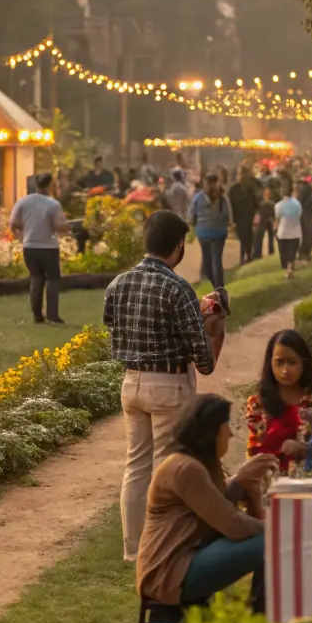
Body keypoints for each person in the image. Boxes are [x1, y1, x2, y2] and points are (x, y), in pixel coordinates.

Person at [104, 210, 227, 562]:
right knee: (169, 466)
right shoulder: (178, 287)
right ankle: (165, 547)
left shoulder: (118, 284)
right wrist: (213, 325)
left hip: (132, 382)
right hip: (169, 384)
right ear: (178, 245)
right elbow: (204, 361)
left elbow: (115, 330)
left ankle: (134, 550)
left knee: (136, 466)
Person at [136, 394, 277, 611]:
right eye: (226, 425)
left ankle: (263, 612)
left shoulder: (191, 464)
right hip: (169, 572)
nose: (230, 433)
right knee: (272, 542)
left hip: (186, 560)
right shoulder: (185, 468)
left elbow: (214, 503)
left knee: (271, 542)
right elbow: (232, 525)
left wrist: (242, 482)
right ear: (214, 431)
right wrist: (276, 530)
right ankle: (262, 616)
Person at [246, 330, 312, 472]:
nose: (285, 371)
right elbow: (254, 452)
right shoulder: (259, 403)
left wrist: (304, 449)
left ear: (304, 363)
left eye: (292, 362)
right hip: (269, 483)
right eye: (279, 363)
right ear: (270, 363)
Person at [9, 172, 71, 325]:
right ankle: (52, 315)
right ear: (50, 185)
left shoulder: (23, 202)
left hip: (29, 247)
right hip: (48, 246)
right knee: (52, 279)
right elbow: (59, 225)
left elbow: (13, 224)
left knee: (36, 278)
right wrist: (68, 226)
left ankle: (37, 316)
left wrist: (23, 238)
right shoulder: (53, 204)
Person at [190, 172, 231, 290]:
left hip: (203, 233)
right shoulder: (223, 198)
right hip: (219, 233)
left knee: (206, 258)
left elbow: (191, 215)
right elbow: (228, 216)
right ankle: (219, 286)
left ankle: (208, 284)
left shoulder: (198, 197)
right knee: (217, 259)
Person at [228, 163, 260, 265]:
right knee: (242, 236)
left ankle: (248, 255)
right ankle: (244, 255)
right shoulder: (234, 189)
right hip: (239, 217)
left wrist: (256, 214)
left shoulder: (251, 188)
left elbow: (256, 202)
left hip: (249, 215)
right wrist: (232, 220)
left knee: (248, 236)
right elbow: (231, 205)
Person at [274, 181, 303, 279]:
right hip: (295, 232)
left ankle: (288, 269)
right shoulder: (297, 204)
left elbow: (277, 219)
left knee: (284, 252)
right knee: (292, 253)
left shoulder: (278, 205)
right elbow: (299, 215)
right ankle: (290, 268)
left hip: (283, 232)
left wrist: (275, 229)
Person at [297, 177, 312, 261]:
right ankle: (304, 253)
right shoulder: (307, 190)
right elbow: (307, 203)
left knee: (309, 234)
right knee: (309, 234)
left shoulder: (308, 190)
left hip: (307, 214)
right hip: (306, 214)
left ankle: (305, 253)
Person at [252, 184, 277, 260]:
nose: (267, 194)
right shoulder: (262, 203)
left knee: (270, 238)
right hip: (262, 220)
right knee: (259, 237)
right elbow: (257, 212)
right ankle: (257, 253)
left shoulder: (270, 203)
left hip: (269, 220)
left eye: (268, 193)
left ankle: (271, 252)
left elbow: (274, 213)